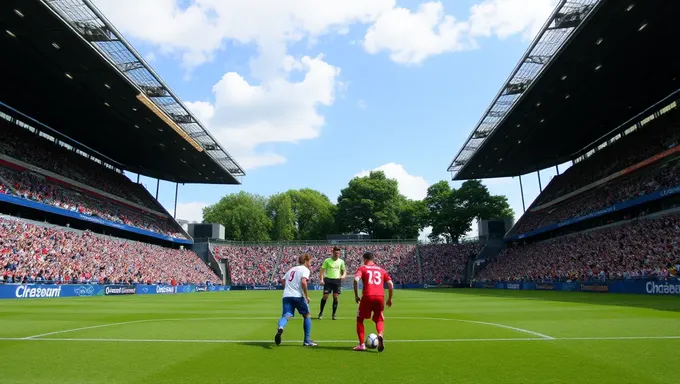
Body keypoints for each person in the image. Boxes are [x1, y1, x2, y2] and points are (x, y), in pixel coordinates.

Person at [353, 251, 393, 352]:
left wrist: (356, 295)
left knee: (360, 319)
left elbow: (356, 280)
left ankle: (362, 344)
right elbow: (390, 284)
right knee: (379, 319)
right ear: (373, 259)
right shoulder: (381, 270)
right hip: (380, 297)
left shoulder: (363, 268)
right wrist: (389, 298)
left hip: (367, 296)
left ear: (365, 259)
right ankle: (380, 334)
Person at [275, 253, 317, 347]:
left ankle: (281, 327)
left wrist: (288, 289)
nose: (310, 264)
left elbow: (282, 280)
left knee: (286, 315)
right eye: (310, 262)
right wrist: (307, 296)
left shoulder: (292, 269)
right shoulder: (305, 270)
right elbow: (303, 282)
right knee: (307, 315)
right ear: (306, 261)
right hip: (297, 296)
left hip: (286, 296)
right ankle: (307, 341)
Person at [318, 246, 346, 320]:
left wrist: (343, 275)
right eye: (336, 252)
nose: (337, 254)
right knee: (325, 296)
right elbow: (322, 270)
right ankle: (321, 312)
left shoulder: (341, 261)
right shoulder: (327, 260)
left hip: (337, 281)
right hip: (328, 280)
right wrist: (321, 279)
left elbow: (344, 271)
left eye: (338, 253)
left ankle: (334, 314)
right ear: (333, 252)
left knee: (336, 297)